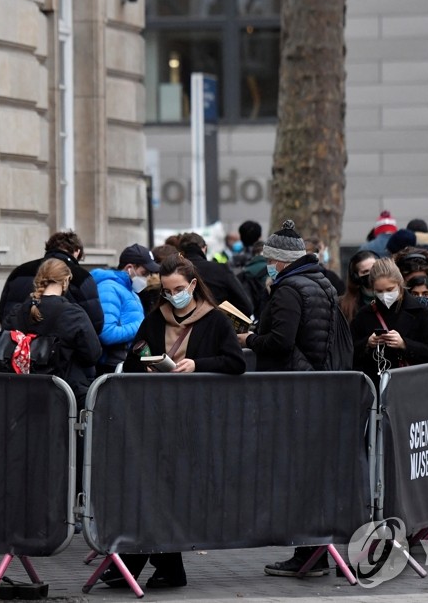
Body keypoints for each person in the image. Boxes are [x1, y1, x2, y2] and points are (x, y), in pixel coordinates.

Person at [103, 257, 245, 590]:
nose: (173, 296)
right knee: (152, 488)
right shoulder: (156, 318)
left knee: (168, 490)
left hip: (196, 418)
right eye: (167, 291)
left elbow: (235, 362)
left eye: (179, 289)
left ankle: (148, 562)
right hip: (155, 416)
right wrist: (148, 364)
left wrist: (197, 364)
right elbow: (135, 355)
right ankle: (150, 562)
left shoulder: (215, 320)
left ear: (193, 285)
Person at [236, 220, 351, 578]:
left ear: (281, 261)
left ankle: (310, 554)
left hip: (297, 390)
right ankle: (315, 552)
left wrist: (248, 340)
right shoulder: (321, 281)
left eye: (271, 259)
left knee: (300, 475)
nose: (268, 264)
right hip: (321, 386)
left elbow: (281, 342)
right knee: (313, 474)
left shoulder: (287, 289)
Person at [5, 259, 102, 406]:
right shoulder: (73, 314)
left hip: (21, 394)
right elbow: (92, 354)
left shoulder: (18, 311)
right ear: (65, 281)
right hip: (64, 394)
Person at [0, 230, 103, 334]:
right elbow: (95, 324)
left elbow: (5, 315)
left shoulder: (19, 271)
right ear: (77, 251)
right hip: (62, 348)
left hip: (20, 346)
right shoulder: (81, 276)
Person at [351, 258, 428, 379]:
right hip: (375, 383)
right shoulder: (364, 314)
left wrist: (404, 344)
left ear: (400, 284)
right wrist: (367, 343)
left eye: (389, 289)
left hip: (412, 382)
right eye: (379, 291)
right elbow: (350, 351)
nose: (385, 295)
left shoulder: (420, 311)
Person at [90, 244, 156, 375]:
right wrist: (142, 327)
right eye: (144, 273)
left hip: (124, 363)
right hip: (113, 367)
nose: (147, 278)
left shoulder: (129, 289)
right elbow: (107, 333)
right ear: (130, 268)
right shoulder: (109, 288)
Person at [177, 233, 254, 316]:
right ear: (204, 248)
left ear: (181, 252)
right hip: (215, 325)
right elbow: (246, 307)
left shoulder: (174, 272)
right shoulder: (221, 270)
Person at [340, 250, 378, 323]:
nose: (372, 274)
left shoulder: (389, 297)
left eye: (374, 268)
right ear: (356, 277)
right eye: (365, 271)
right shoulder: (345, 305)